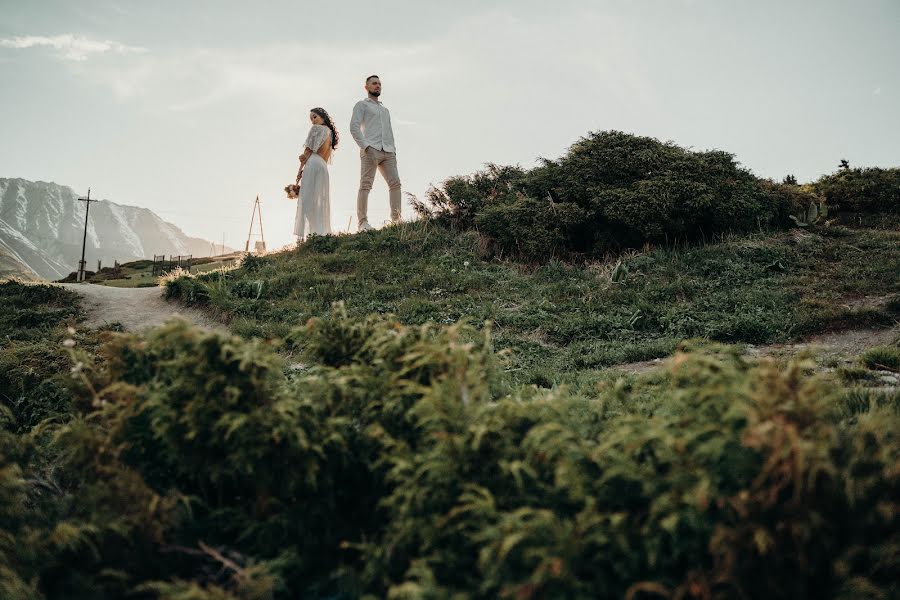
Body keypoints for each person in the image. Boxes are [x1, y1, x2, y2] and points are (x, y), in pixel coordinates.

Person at [349, 75, 402, 232]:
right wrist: (366, 147)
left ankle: (396, 220)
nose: (377, 86)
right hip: (370, 150)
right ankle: (362, 223)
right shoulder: (361, 105)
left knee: (395, 184)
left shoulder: (385, 110)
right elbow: (354, 127)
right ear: (366, 87)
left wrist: (393, 150)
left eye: (379, 84)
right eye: (374, 83)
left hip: (388, 152)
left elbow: (389, 132)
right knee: (365, 185)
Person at [294, 107, 338, 240]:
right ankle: (320, 232)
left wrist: (300, 169)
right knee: (320, 199)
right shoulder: (330, 133)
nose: (313, 121)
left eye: (315, 117)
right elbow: (326, 156)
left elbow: (307, 151)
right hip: (323, 167)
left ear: (323, 117)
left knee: (307, 199)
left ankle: (311, 233)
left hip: (312, 163)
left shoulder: (316, 130)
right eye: (311, 119)